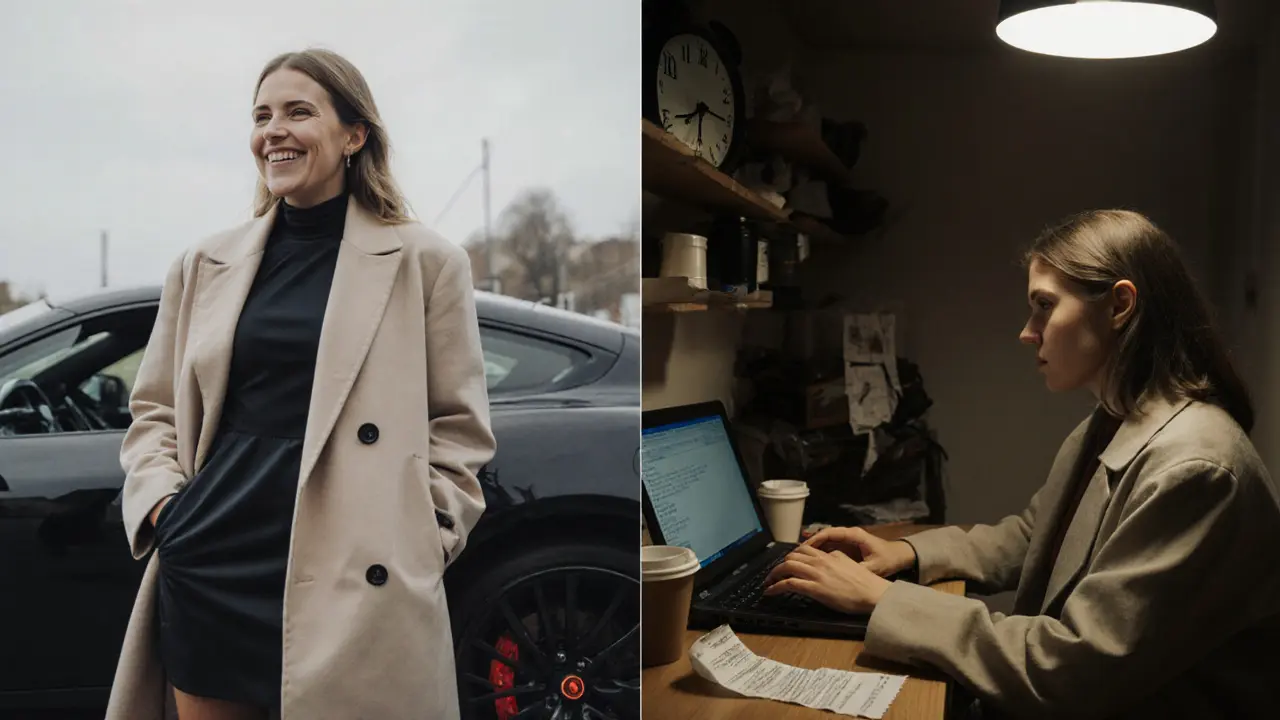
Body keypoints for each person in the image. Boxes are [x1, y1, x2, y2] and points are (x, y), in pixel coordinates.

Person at [763, 209, 1280, 718]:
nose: (1028, 332)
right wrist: (906, 554)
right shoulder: (1116, 418)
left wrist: (882, 600)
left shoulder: (1196, 468)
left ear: (1120, 305)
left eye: (1045, 306)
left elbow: (1072, 669)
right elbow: (1035, 537)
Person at [105, 48, 496, 720]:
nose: (274, 130)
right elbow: (156, 408)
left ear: (354, 135)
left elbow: (459, 428)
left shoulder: (427, 262)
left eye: (298, 112)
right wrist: (169, 511)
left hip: (356, 569)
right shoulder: (203, 263)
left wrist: (423, 537)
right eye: (262, 116)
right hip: (214, 553)